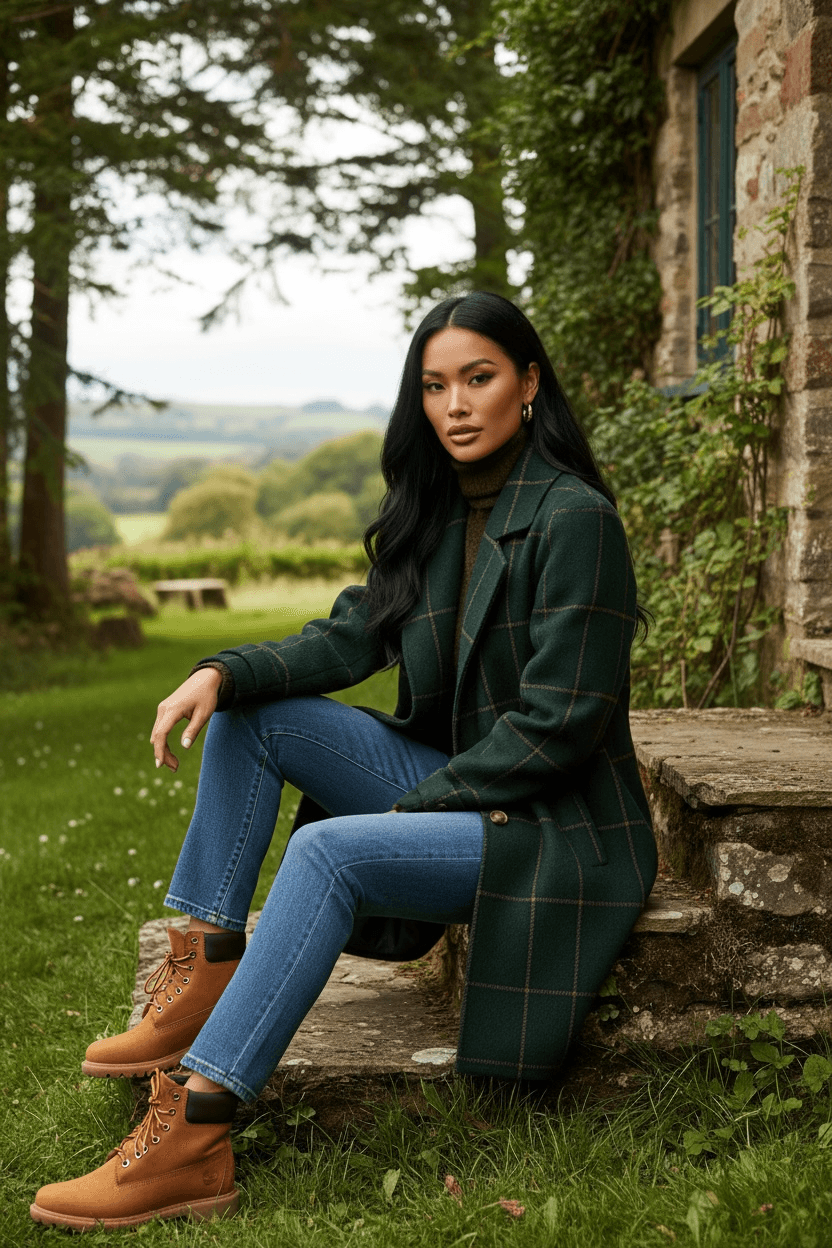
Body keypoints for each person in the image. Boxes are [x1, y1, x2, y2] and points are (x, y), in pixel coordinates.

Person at [31, 291, 656, 1231]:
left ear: (528, 385)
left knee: (331, 855)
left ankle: (197, 1131)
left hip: (552, 827)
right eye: (435, 384)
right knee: (254, 717)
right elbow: (353, 633)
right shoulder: (441, 511)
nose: (454, 405)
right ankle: (204, 966)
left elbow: (555, 730)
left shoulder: (577, 522)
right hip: (467, 794)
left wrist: (414, 811)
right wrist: (220, 670)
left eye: (478, 379)